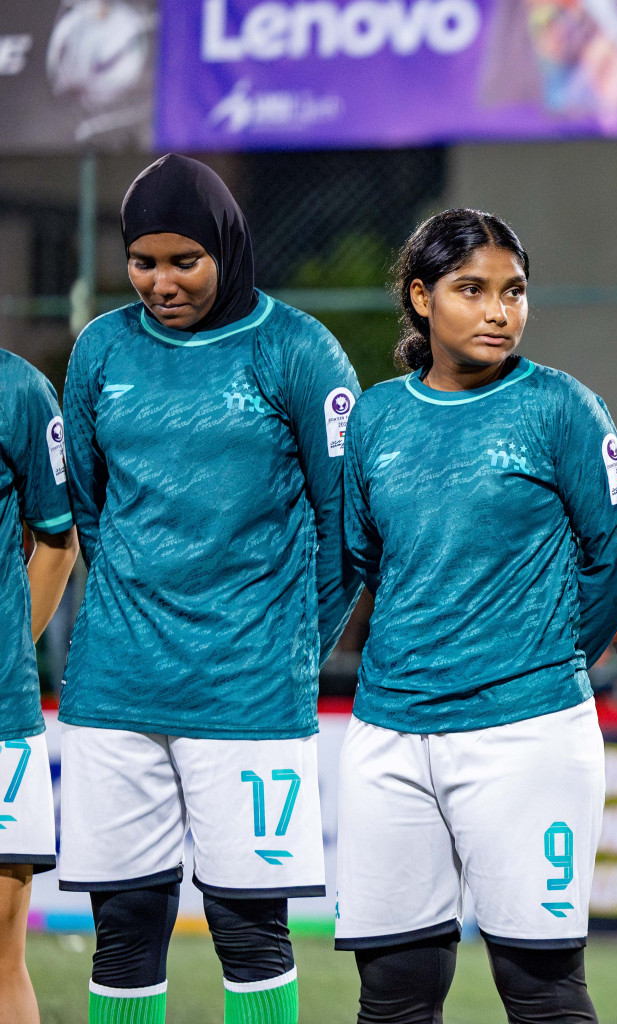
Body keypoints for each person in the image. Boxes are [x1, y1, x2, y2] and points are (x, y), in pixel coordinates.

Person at [59, 154, 362, 1024]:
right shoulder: (102, 350)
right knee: (123, 930)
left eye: (184, 261)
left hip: (248, 695)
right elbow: (90, 512)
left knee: (250, 932)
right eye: (143, 262)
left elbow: (346, 527)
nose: (162, 283)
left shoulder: (297, 351)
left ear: (227, 249)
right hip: (115, 691)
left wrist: (293, 644)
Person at [335, 208, 617, 1024]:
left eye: (515, 291)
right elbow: (357, 564)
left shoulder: (561, 409)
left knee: (539, 992)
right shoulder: (376, 418)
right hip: (389, 734)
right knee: (393, 996)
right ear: (422, 298)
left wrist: (537, 657)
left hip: (527, 731)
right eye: (473, 290)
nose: (500, 311)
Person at [0, 352, 79, 1024]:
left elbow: (57, 541)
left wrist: (6, 650)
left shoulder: (20, 390)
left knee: (0, 953)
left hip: (0, 718)